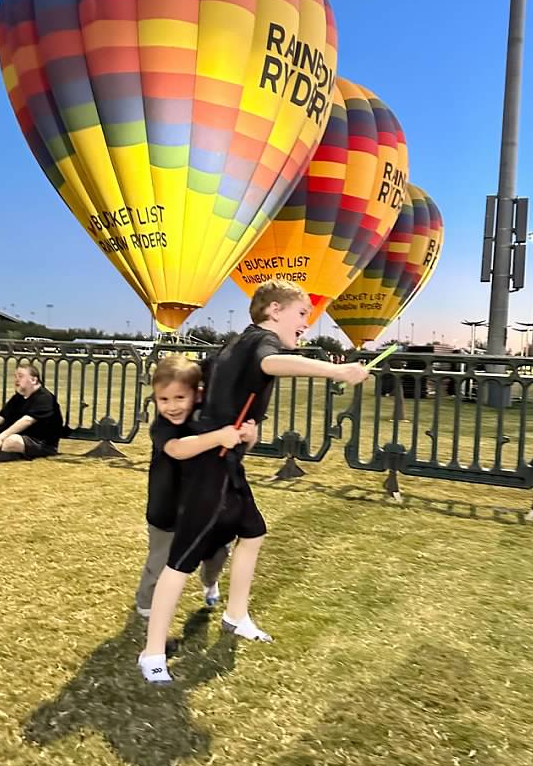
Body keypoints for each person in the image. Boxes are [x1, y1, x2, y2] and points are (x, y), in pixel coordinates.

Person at [138, 280, 370, 684]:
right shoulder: (263, 342)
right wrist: (336, 370)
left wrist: (244, 428)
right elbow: (272, 364)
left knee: (253, 532)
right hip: (210, 469)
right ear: (274, 310)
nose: (307, 323)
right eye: (302, 314)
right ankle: (152, 653)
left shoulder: (236, 343)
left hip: (226, 464)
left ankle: (236, 615)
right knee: (181, 561)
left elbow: (220, 383)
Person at [134, 354, 258, 619]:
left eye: (180, 397)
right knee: (160, 562)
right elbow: (177, 449)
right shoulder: (162, 427)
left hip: (208, 508)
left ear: (198, 394)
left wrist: (247, 437)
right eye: (163, 399)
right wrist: (218, 437)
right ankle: (146, 603)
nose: (172, 407)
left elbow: (234, 451)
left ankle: (210, 581)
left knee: (217, 554)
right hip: (168, 511)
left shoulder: (209, 419)